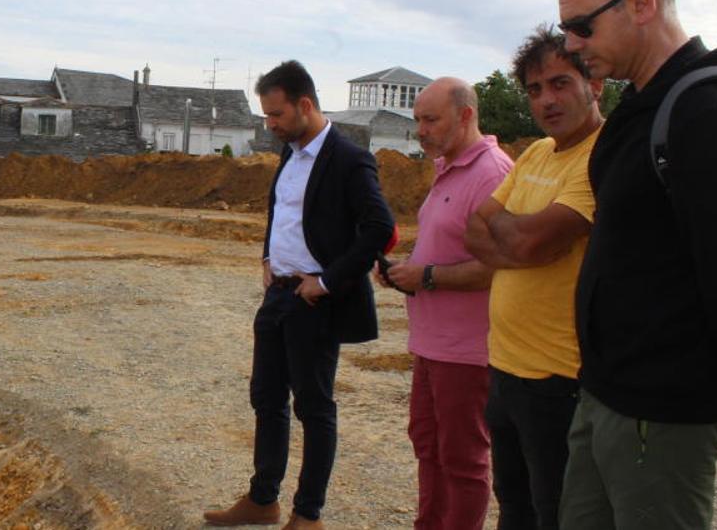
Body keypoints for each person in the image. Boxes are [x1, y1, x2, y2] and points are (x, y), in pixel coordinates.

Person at [553, 0, 717, 528]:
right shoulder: (642, 106)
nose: (570, 42)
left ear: (640, 2)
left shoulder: (706, 108)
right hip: (607, 395)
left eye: (582, 25)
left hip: (663, 411)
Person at [203, 60, 394, 530]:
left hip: (315, 302)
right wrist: (267, 257)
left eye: (276, 115)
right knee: (266, 399)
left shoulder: (349, 159)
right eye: (266, 116)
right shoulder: (289, 154)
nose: (270, 125)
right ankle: (262, 500)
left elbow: (380, 228)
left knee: (314, 407)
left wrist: (327, 281)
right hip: (278, 297)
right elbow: (283, 213)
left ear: (304, 105)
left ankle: (307, 515)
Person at [463, 25, 604, 530]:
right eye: (535, 89)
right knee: (513, 504)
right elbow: (474, 228)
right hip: (505, 365)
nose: (547, 100)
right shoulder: (540, 152)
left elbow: (510, 236)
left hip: (559, 377)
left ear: (596, 86)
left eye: (561, 83)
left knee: (556, 510)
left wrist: (514, 238)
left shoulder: (599, 158)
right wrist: (523, 244)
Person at [376, 77, 509, 530]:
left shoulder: (492, 173)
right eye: (417, 120)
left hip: (468, 351)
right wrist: (406, 271)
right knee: (429, 446)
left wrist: (426, 276)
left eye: (430, 119)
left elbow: (500, 266)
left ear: (466, 115)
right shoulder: (447, 168)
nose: (421, 130)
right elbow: (446, 247)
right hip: (433, 344)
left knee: (463, 459)